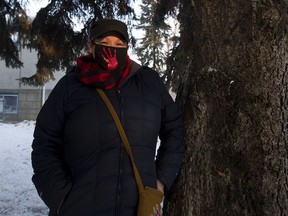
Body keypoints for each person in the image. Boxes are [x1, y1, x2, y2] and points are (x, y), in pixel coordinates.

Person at [31, 19, 185, 216]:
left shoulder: (150, 83)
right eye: (105, 43)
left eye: (119, 45)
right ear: (91, 46)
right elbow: (45, 142)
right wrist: (60, 197)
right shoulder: (70, 86)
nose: (112, 50)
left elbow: (174, 129)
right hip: (80, 207)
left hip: (138, 207)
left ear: (128, 47)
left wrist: (161, 179)